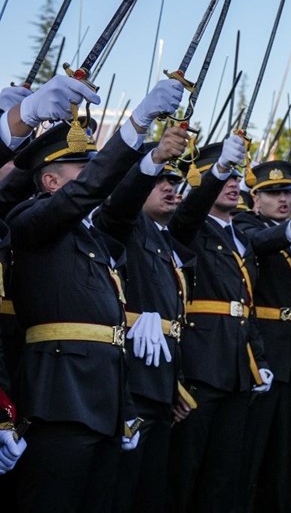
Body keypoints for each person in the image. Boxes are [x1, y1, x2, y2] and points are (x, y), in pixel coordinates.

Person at [5, 77, 183, 512]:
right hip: (58, 399)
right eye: (80, 172)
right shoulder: (30, 220)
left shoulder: (94, 238)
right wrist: (134, 124)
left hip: (104, 398)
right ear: (50, 182)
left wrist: (153, 157)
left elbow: (119, 208)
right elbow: (86, 195)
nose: (93, 182)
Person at [167, 135, 275, 512]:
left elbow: (245, 307)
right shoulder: (188, 227)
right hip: (200, 364)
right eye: (224, 176)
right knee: (184, 473)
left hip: (235, 368)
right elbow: (187, 213)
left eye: (234, 177)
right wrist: (217, 171)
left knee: (224, 474)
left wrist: (258, 360)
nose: (233, 184)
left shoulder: (241, 237)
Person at [91, 129, 193, 513]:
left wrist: (174, 386)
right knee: (122, 488)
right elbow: (119, 206)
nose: (170, 188)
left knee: (149, 489)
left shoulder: (164, 237)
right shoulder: (125, 224)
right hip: (131, 379)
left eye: (174, 181)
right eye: (160, 180)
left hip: (160, 382)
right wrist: (147, 165)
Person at [234, 160, 291, 512]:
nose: (284, 199)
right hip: (261, 349)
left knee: (284, 449)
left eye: (288, 192)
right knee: (252, 446)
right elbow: (258, 244)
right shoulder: (246, 223)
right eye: (273, 193)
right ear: (255, 199)